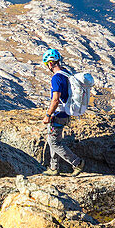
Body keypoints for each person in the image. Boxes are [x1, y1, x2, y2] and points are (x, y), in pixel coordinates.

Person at [41, 48, 85, 177]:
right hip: (66, 112)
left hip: (58, 114)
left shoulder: (56, 78)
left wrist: (48, 115)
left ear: (50, 63)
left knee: (54, 142)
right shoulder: (66, 73)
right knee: (53, 140)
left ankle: (77, 163)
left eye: (46, 64)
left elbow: (55, 99)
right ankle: (54, 168)